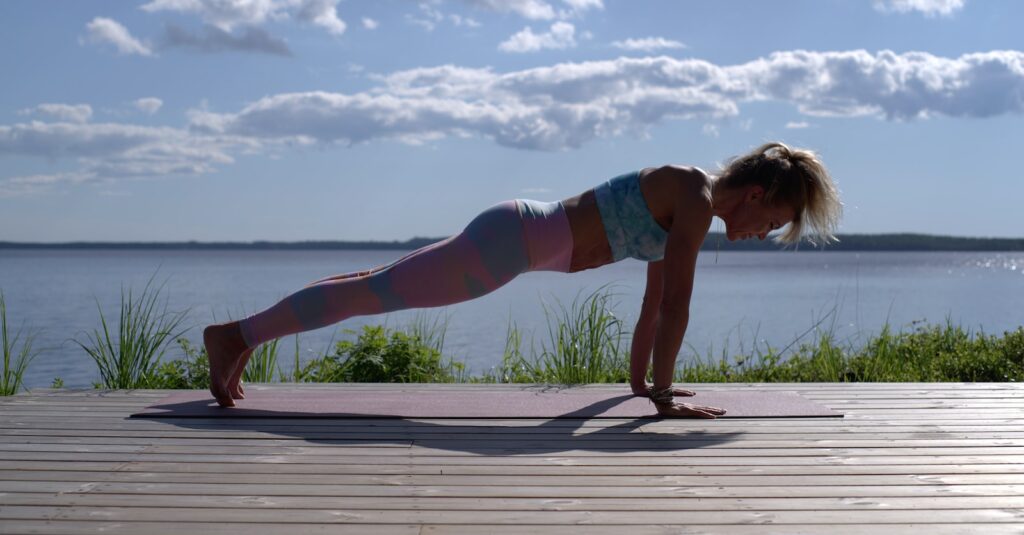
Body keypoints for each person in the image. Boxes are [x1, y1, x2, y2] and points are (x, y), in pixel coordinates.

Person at [204, 142, 842, 418]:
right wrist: (666, 392)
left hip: (517, 237)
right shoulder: (696, 197)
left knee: (376, 284)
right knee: (376, 293)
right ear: (757, 194)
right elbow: (677, 304)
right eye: (775, 220)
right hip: (515, 241)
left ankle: (241, 336)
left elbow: (654, 304)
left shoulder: (690, 200)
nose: (765, 233)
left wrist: (644, 384)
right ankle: (237, 336)